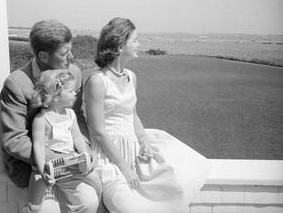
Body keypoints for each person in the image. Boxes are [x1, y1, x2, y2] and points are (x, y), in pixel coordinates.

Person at [83, 17, 211, 213]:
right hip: (110, 156)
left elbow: (132, 114)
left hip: (133, 148)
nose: (139, 44)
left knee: (178, 177)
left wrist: (144, 142)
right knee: (128, 207)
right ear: (119, 45)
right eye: (135, 40)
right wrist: (124, 167)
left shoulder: (131, 77)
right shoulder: (97, 81)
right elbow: (98, 131)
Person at [0, 19, 98, 213]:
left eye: (70, 49)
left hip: (71, 163)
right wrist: (59, 159)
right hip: (32, 168)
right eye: (64, 53)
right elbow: (14, 140)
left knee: (90, 202)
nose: (71, 56)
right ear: (43, 55)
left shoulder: (74, 72)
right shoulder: (16, 83)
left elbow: (76, 117)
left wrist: (85, 149)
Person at [28, 69, 100, 213]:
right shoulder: (42, 119)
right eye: (71, 91)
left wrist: (84, 154)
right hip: (48, 170)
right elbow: (39, 146)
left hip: (70, 167)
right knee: (36, 208)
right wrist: (43, 171)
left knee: (95, 183)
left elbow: (77, 137)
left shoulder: (70, 114)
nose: (75, 94)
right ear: (55, 96)